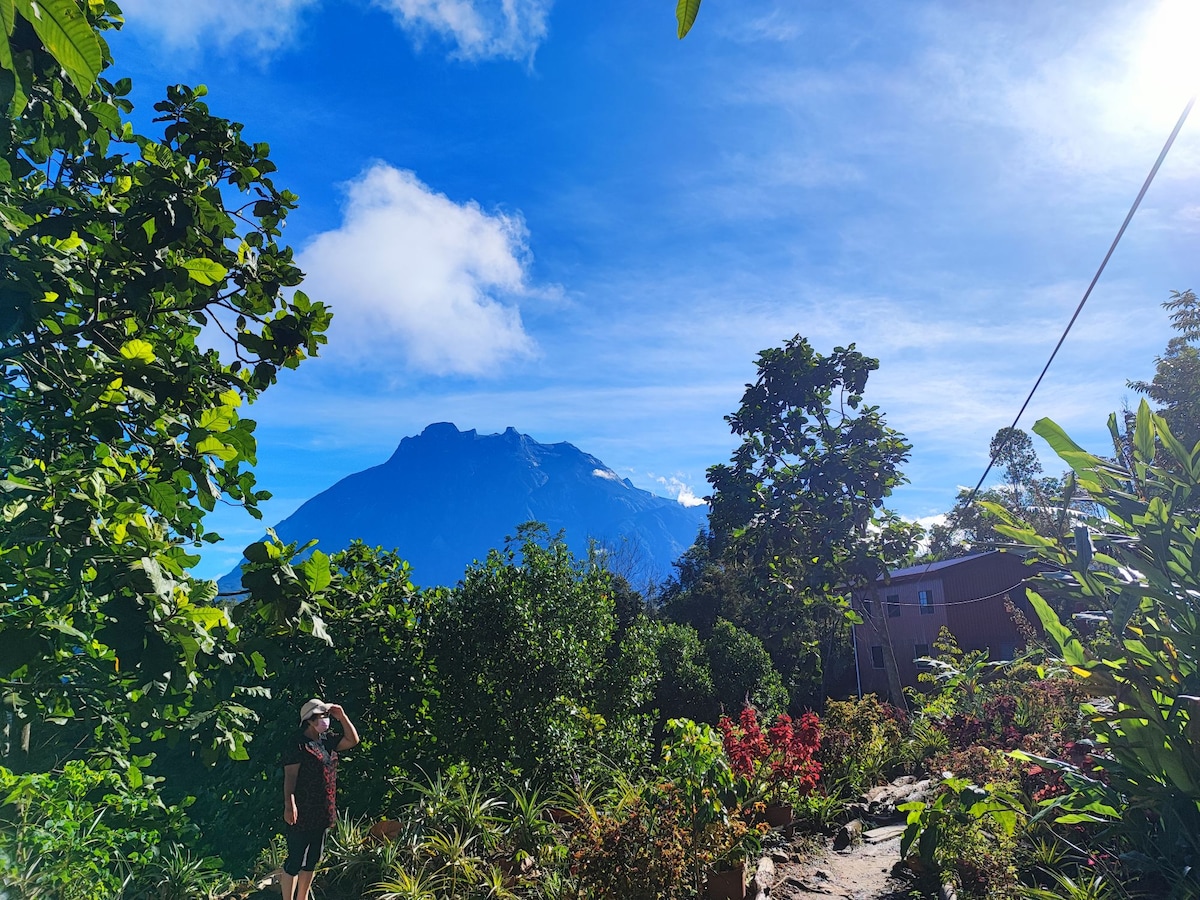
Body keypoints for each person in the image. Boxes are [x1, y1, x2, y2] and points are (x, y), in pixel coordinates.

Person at [280, 698, 360, 900]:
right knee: (295, 858)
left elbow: (353, 740)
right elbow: (290, 776)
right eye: (319, 716)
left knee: (312, 858)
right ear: (308, 720)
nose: (324, 719)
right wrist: (290, 804)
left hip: (324, 809)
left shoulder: (327, 741)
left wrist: (342, 716)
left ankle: (302, 897)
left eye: (325, 715)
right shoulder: (297, 744)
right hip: (303, 810)